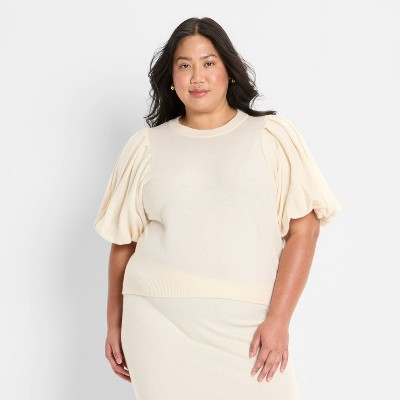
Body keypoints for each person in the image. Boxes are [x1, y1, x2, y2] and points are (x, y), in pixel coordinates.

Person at [93, 17, 342, 400]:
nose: (197, 77)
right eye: (184, 65)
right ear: (171, 78)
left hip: (249, 323)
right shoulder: (146, 148)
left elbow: (304, 231)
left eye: (208, 63)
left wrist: (279, 319)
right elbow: (123, 246)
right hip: (158, 323)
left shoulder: (271, 137)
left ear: (229, 70)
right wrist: (114, 323)